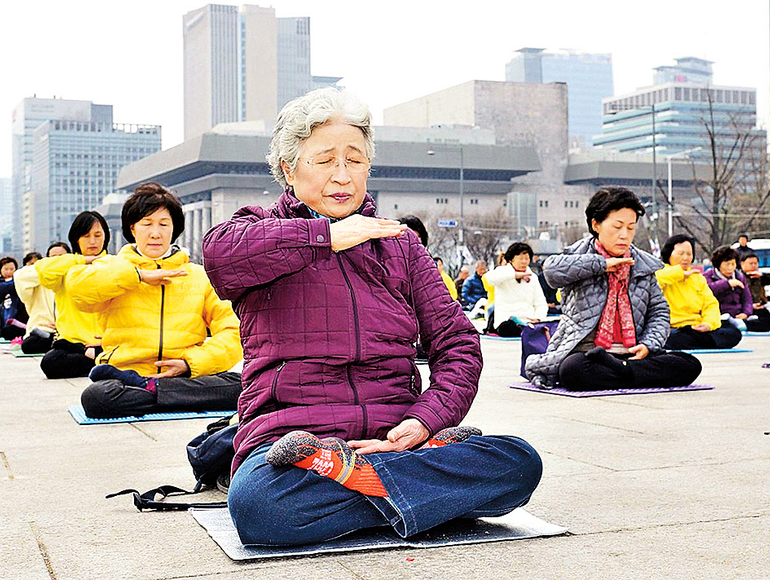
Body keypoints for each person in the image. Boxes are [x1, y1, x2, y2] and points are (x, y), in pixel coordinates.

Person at [202, 88, 542, 547]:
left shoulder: (400, 245)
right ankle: (427, 494)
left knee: (520, 463)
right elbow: (220, 257)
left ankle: (369, 484)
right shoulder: (255, 229)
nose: (342, 176)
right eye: (325, 161)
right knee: (259, 505)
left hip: (398, 437)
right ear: (288, 168)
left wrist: (423, 421)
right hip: (293, 444)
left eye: (355, 160)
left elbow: (458, 344)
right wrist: (327, 236)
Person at [65, 183, 243, 419]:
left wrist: (190, 363)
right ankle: (169, 395)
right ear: (133, 229)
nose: (155, 233)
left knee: (241, 387)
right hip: (125, 375)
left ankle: (153, 390)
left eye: (163, 224)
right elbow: (77, 290)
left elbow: (233, 332)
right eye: (147, 224)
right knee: (96, 397)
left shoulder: (198, 275)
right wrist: (136, 276)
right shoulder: (112, 267)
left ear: (174, 229)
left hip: (186, 375)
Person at [526, 188, 702, 391]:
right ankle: (633, 373)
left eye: (630, 227)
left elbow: (659, 312)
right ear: (596, 224)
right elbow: (551, 271)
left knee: (689, 364)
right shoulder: (577, 254)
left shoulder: (642, 263)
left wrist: (649, 344)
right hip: (587, 353)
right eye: (617, 226)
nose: (624, 235)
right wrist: (601, 264)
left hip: (633, 351)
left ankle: (623, 369)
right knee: (572, 371)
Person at [36, 211, 111, 379]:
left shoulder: (113, 265)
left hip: (106, 342)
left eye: (97, 235)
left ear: (105, 237)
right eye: (85, 236)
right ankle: (97, 362)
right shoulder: (67, 268)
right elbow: (42, 269)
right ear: (76, 239)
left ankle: (98, 358)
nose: (92, 241)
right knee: (50, 362)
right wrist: (82, 260)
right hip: (72, 344)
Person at [656, 235, 743, 350]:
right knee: (670, 338)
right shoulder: (660, 272)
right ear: (669, 254)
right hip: (674, 328)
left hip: (697, 327)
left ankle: (699, 341)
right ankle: (702, 342)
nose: (686, 258)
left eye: (689, 254)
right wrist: (679, 274)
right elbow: (657, 279)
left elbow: (710, 304)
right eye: (681, 254)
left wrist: (708, 324)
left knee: (733, 333)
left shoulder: (697, 278)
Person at [14, 242, 70, 354]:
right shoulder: (39, 277)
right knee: (29, 345)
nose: (57, 261)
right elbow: (20, 277)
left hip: (69, 331)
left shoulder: (76, 277)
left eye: (62, 257)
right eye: (53, 258)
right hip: (44, 330)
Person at [483, 243, 548, 337]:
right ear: (511, 260)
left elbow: (541, 303)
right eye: (521, 259)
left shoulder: (532, 277)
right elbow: (490, 278)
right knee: (508, 327)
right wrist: (515, 275)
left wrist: (538, 318)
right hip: (506, 322)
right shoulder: (502, 272)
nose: (524, 262)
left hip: (527, 321)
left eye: (527, 258)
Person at [703, 246, 770, 333]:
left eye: (733, 264)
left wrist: (746, 313)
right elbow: (708, 290)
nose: (730, 268)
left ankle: (740, 324)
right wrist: (727, 284)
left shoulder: (739, 276)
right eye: (727, 264)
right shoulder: (708, 276)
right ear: (718, 264)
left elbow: (747, 299)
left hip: (738, 314)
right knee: (723, 326)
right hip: (720, 315)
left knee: (766, 321)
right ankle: (736, 325)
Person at [739, 252, 770, 324]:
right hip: (746, 307)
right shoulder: (739, 277)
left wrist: (762, 276)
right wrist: (751, 306)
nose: (753, 266)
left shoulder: (759, 277)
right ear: (742, 264)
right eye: (751, 264)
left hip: (761, 305)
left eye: (755, 263)